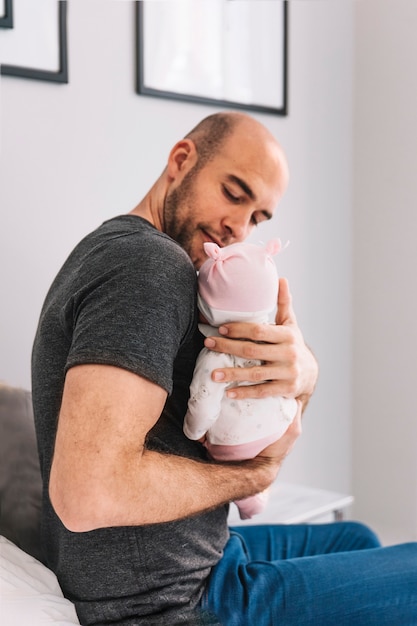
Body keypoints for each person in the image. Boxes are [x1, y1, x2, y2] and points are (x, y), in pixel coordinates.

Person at [31, 112, 417, 626]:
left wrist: (304, 373)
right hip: (173, 603)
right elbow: (87, 494)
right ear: (181, 160)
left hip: (204, 557)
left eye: (258, 218)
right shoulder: (148, 267)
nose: (239, 229)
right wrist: (254, 475)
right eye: (234, 194)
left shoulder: (117, 248)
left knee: (356, 538)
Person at [184, 239, 298, 520]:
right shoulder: (273, 339)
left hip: (235, 444)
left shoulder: (216, 352)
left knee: (234, 471)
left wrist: (193, 432)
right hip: (282, 421)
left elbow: (203, 401)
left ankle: (250, 501)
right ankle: (260, 491)